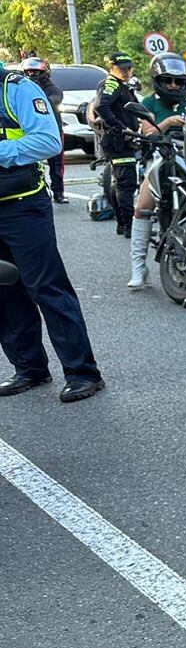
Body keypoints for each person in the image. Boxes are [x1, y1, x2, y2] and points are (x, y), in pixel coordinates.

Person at [0, 66, 104, 401]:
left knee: (47, 288)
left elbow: (47, 141)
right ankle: (29, 369)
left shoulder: (15, 88)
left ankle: (82, 373)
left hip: (23, 207)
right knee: (5, 292)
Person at [126, 55, 186, 289]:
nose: (174, 86)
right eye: (168, 81)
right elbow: (148, 133)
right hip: (161, 159)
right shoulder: (149, 103)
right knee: (143, 207)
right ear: (158, 81)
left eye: (179, 81)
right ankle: (139, 268)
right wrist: (168, 123)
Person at [93, 53, 156, 237]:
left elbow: (138, 108)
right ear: (112, 68)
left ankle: (122, 224)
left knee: (117, 183)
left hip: (119, 140)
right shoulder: (112, 84)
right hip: (118, 140)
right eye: (122, 69)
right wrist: (122, 128)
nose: (127, 71)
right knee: (126, 184)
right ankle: (131, 226)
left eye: (129, 68)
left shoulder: (123, 86)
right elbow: (101, 106)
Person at [19, 59, 67, 204]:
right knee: (29, 162)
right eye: (28, 72)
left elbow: (55, 99)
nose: (32, 75)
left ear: (45, 73)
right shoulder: (20, 88)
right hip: (27, 131)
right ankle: (32, 190)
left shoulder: (53, 89)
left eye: (35, 72)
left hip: (52, 130)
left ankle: (58, 192)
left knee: (56, 164)